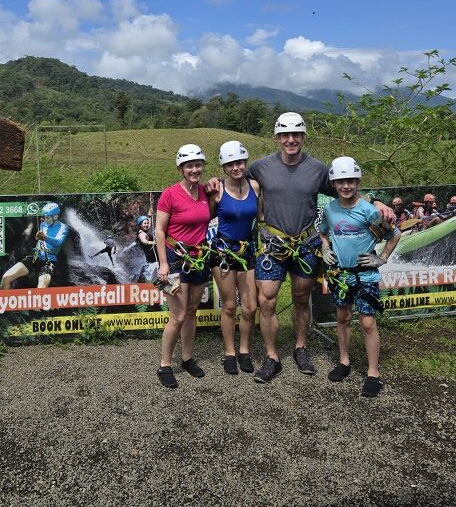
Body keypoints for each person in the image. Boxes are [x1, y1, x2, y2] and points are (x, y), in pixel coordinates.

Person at [206, 111, 394, 383]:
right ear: (277, 137)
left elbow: (347, 187)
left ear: (303, 137)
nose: (291, 140)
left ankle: (300, 347)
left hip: (306, 243)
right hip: (273, 244)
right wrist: (215, 181)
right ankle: (272, 357)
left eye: (296, 135)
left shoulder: (318, 169)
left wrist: (375, 201)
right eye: (285, 135)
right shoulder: (260, 167)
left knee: (301, 298)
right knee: (265, 300)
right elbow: (233, 174)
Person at [320, 156, 400, 398]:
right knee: (342, 317)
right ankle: (344, 361)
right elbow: (324, 232)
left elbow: (394, 235)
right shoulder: (330, 210)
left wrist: (382, 258)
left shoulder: (367, 210)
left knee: (367, 323)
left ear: (358, 182)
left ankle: (373, 373)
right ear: (333, 184)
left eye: (351, 181)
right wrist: (325, 249)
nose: (346, 186)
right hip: (342, 275)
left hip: (365, 275)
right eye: (341, 181)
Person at [155, 143, 212, 388]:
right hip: (176, 259)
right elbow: (159, 230)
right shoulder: (170, 194)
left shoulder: (204, 192)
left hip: (198, 258)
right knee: (177, 316)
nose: (194, 169)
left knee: (191, 312)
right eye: (189, 165)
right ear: (181, 168)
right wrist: (164, 264)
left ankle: (187, 358)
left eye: (198, 165)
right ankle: (165, 364)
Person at [209, 140, 260, 375]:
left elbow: (262, 217)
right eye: (230, 164)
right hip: (223, 252)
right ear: (223, 167)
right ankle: (229, 352)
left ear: (245, 162)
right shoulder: (217, 189)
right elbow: (203, 216)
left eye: (240, 162)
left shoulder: (255, 187)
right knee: (229, 306)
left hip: (247, 250)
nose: (236, 168)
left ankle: (244, 349)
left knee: (250, 307)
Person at [0, 202, 69, 289]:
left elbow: (58, 242)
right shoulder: (43, 224)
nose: (45, 219)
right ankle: (7, 301)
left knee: (41, 287)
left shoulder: (63, 228)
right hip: (35, 256)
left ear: (55, 217)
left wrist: (45, 237)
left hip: (49, 261)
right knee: (6, 278)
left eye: (47, 217)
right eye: (44, 217)